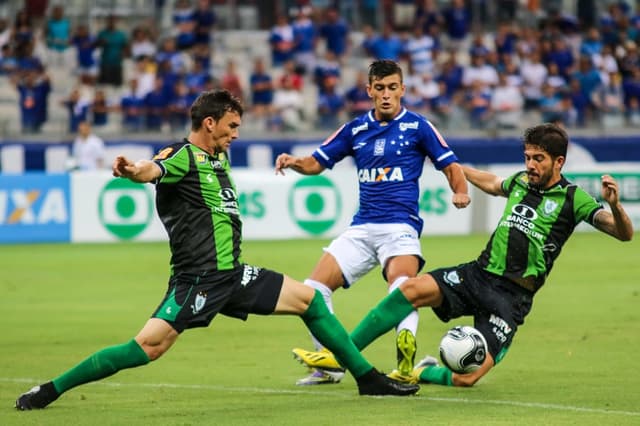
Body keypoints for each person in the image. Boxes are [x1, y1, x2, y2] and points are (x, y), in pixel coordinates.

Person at [14, 90, 419, 411]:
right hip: (198, 281)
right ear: (209, 123)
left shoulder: (218, 159)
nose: (236, 134)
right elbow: (152, 169)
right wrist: (133, 172)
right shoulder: (182, 156)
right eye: (232, 126)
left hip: (234, 274)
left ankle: (368, 379)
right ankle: (51, 389)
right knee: (146, 349)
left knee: (311, 301)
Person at [293, 123, 634, 387]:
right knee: (408, 290)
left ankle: (422, 371)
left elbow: (623, 234)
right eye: (528, 157)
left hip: (511, 300)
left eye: (538, 159)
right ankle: (340, 356)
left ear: (558, 162)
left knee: (465, 379)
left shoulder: (574, 199)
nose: (530, 165)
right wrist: (451, 165)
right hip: (477, 275)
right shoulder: (520, 182)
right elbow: (489, 182)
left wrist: (616, 206)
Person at [275, 59, 470, 385]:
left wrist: (460, 191)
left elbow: (451, 166)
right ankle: (328, 366)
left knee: (402, 285)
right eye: (379, 88)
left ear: (403, 90)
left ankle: (404, 360)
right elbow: (316, 163)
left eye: (392, 88)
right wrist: (295, 162)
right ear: (369, 91)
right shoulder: (354, 129)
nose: (386, 94)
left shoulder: (419, 126)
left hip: (400, 226)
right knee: (312, 290)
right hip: (362, 227)